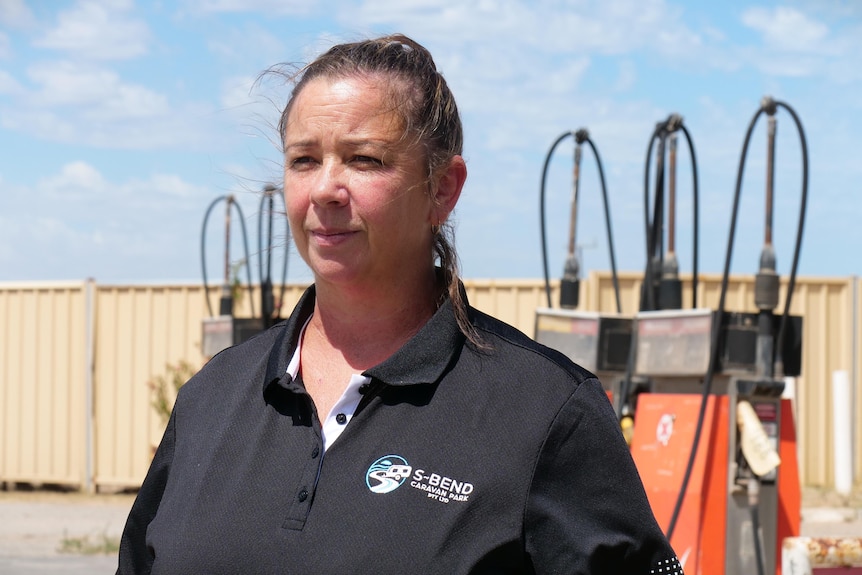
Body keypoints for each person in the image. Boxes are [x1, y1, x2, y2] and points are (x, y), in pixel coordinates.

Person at [117, 33, 684, 575]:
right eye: (304, 160)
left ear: (443, 188)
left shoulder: (548, 413)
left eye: (364, 160)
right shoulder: (212, 398)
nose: (324, 190)